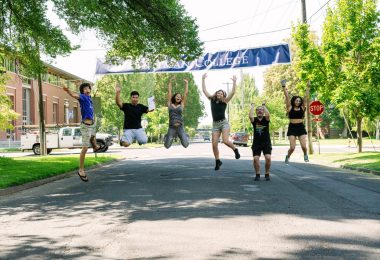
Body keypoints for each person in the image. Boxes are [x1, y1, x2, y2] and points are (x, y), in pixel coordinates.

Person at [63, 82, 103, 182]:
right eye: (84, 89)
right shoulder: (83, 97)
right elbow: (74, 95)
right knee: (85, 148)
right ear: (82, 91)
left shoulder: (90, 99)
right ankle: (81, 170)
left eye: (88, 88)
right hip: (85, 126)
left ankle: (95, 147)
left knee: (93, 138)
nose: (86, 90)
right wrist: (68, 90)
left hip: (92, 124)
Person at [202, 73, 240, 171]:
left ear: (223, 95)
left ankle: (235, 150)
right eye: (218, 93)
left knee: (225, 140)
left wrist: (234, 82)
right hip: (215, 124)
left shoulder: (225, 101)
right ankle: (217, 161)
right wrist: (203, 79)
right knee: (214, 144)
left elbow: (233, 92)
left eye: (221, 93)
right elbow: (204, 91)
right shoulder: (212, 100)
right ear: (216, 94)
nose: (219, 94)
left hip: (224, 123)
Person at [115, 83, 154, 147]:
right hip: (128, 129)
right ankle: (123, 141)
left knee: (144, 141)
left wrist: (153, 104)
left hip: (138, 129)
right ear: (131, 98)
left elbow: (150, 109)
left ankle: (139, 140)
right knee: (126, 145)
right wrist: (117, 93)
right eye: (133, 97)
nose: (135, 99)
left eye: (136, 97)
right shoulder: (126, 106)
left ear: (138, 98)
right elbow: (118, 103)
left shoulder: (141, 107)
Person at [282, 79, 309, 164]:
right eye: (297, 101)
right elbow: (287, 96)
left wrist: (308, 87)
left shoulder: (302, 107)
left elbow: (305, 97)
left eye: (299, 101)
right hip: (292, 128)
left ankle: (305, 154)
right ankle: (288, 156)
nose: (298, 102)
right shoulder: (289, 107)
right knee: (292, 147)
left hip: (301, 127)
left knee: (304, 146)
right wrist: (283, 86)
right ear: (294, 101)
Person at [164, 77, 189, 149]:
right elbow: (169, 92)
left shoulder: (182, 105)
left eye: (180, 97)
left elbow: (186, 93)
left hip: (180, 127)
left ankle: (185, 136)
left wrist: (186, 83)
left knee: (185, 145)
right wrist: (170, 82)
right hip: (172, 127)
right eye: (177, 96)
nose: (179, 97)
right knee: (167, 146)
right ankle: (167, 136)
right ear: (174, 97)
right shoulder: (169, 104)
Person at [249, 103, 272, 181]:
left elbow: (268, 114)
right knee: (256, 158)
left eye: (261, 110)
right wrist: (252, 106)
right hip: (256, 143)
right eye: (258, 110)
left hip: (266, 142)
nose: (260, 111)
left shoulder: (266, 119)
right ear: (256, 112)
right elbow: (250, 116)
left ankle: (267, 173)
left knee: (268, 158)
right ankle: (257, 174)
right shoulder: (254, 120)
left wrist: (264, 106)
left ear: (263, 112)